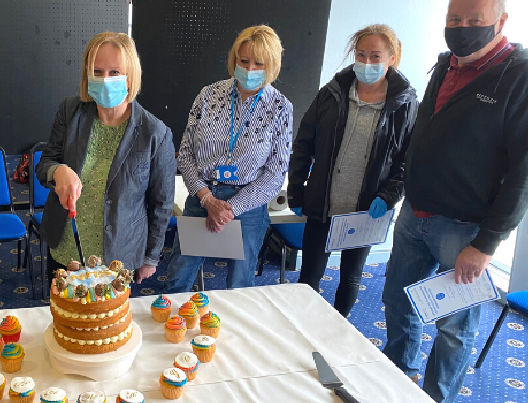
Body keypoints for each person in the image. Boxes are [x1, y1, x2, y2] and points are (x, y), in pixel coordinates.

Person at [381, 1, 528, 401]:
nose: (462, 28)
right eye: (453, 20)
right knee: (398, 301)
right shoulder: (447, 63)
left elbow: (523, 173)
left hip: (465, 230)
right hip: (415, 214)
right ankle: (396, 380)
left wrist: (486, 244)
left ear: (501, 22)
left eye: (473, 21)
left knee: (454, 326)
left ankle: (434, 397)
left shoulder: (520, 75)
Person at [287, 25, 418, 317]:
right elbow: (303, 144)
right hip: (324, 206)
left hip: (365, 213)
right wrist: (296, 192)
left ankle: (336, 332)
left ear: (392, 59)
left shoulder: (404, 105)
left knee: (350, 279)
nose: (367, 63)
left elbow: (407, 161)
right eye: (361, 54)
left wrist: (389, 195)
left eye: (375, 56)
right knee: (308, 280)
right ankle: (301, 330)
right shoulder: (332, 94)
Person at [36, 32, 175, 282]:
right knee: (66, 316)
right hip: (67, 247)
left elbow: (162, 203)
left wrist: (151, 258)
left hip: (119, 256)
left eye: (114, 72)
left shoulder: (156, 133)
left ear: (130, 76)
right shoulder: (70, 111)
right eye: (97, 72)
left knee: (108, 319)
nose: (105, 80)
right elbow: (45, 164)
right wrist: (57, 172)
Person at [164, 25, 293, 292]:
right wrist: (208, 200)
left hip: (247, 205)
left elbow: (275, 173)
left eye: (259, 63)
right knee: (178, 276)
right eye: (243, 61)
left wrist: (230, 209)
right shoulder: (209, 95)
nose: (249, 69)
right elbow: (185, 154)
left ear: (272, 66)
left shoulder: (280, 107)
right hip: (202, 197)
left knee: (240, 286)